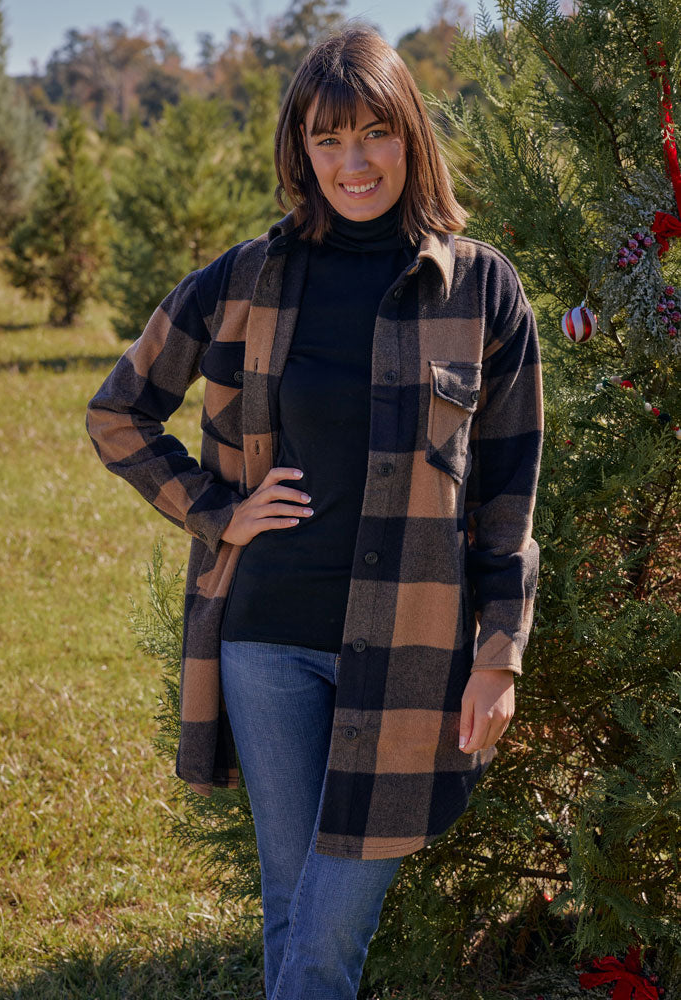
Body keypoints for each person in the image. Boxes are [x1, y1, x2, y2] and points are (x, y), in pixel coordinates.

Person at [85, 23, 544, 1000]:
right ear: (299, 150)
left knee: (327, 932)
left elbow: (508, 494)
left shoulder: (481, 290)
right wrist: (218, 510)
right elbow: (118, 409)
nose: (352, 162)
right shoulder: (248, 278)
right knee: (295, 912)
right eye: (326, 140)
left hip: (416, 656)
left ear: (409, 134)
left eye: (371, 133)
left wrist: (498, 655)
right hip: (269, 643)